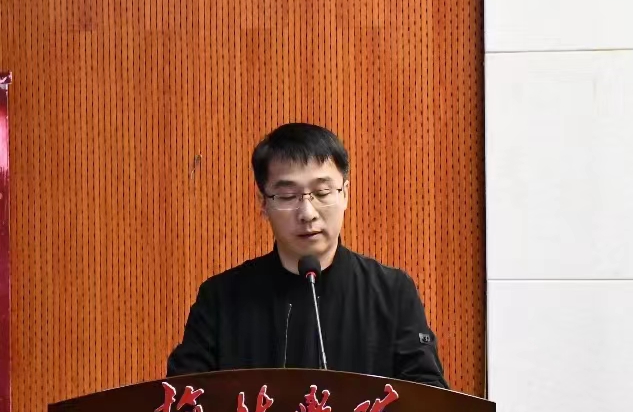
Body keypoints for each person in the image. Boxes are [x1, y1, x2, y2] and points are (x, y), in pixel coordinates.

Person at [166, 123, 449, 388]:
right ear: (263, 203)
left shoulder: (391, 292)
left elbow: (428, 397)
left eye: (322, 192)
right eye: (288, 196)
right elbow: (181, 399)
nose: (307, 213)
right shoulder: (220, 298)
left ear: (345, 194)